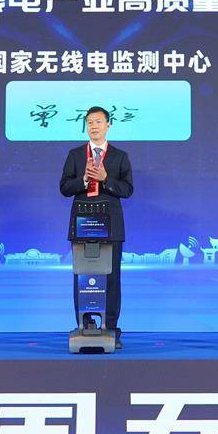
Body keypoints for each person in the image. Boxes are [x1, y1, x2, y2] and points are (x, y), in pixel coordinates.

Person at [59, 106, 134, 347]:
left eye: (98, 122)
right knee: (82, 275)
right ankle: (85, 325)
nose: (94, 126)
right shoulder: (75, 155)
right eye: (90, 122)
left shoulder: (120, 156)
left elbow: (127, 190)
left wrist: (105, 179)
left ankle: (110, 329)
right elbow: (64, 188)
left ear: (108, 125)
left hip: (110, 225)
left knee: (111, 278)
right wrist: (83, 180)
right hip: (83, 223)